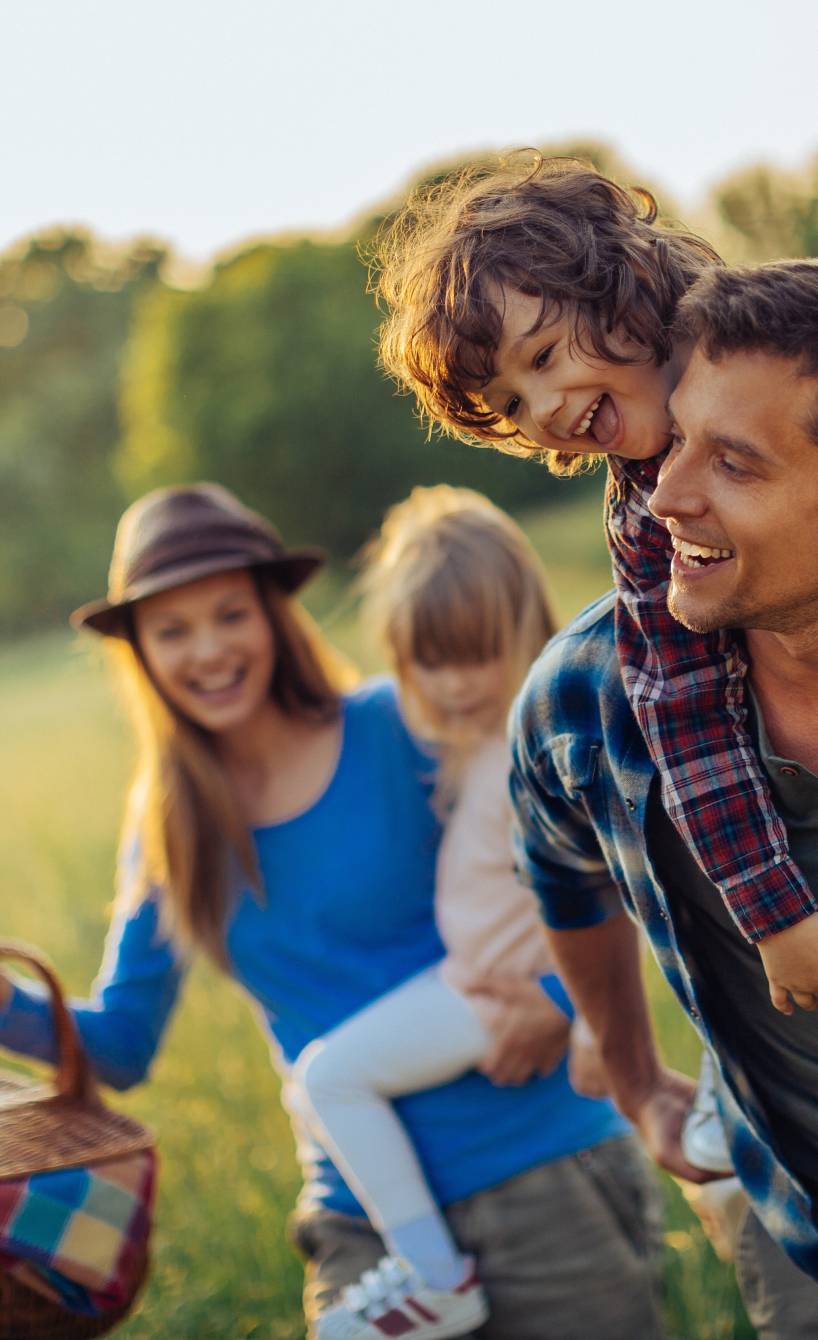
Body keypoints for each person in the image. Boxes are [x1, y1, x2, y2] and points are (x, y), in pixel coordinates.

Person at [0, 482, 663, 1340]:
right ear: (142, 655)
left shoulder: (403, 725)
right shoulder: (170, 829)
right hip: (364, 1225)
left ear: (275, 616)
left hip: (542, 1175)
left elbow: (594, 863)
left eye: (231, 614)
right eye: (172, 630)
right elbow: (121, 1045)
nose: (209, 649)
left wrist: (564, 1002)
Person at [372, 153, 818, 1021]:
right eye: (509, 404)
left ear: (629, 286)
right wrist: (773, 912)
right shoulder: (642, 516)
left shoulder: (771, 339)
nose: (541, 409)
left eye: (543, 356)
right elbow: (683, 711)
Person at [509, 263, 818, 1336]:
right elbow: (559, 871)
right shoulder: (584, 698)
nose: (665, 494)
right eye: (675, 438)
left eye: (732, 461)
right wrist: (635, 1076)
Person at [293, 484, 602, 1339]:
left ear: (523, 627)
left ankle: (436, 1278)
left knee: (328, 1078)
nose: (456, 683)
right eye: (431, 661)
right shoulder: (471, 734)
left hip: (499, 992)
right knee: (315, 1085)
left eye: (477, 654)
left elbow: (615, 878)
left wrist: (579, 1009)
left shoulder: (538, 742)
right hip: (470, 978)